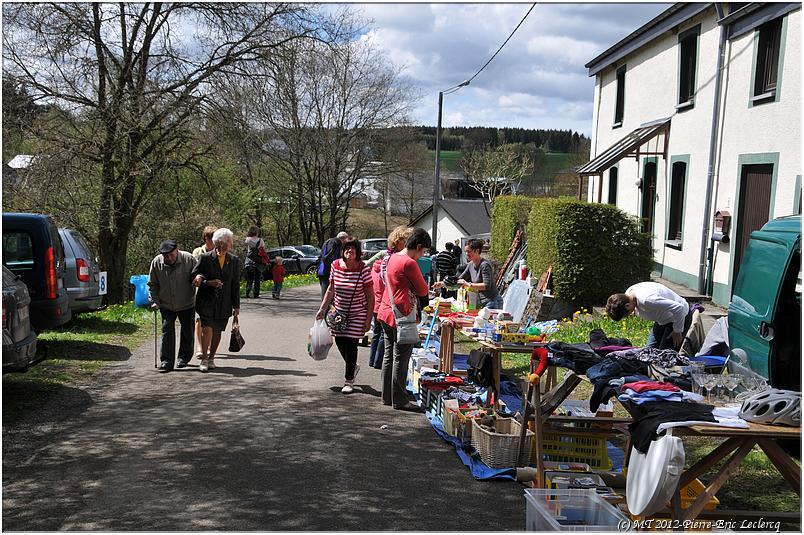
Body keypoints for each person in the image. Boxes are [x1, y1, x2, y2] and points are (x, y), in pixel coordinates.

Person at [377, 228, 431, 411]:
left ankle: (387, 396)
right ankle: (399, 400)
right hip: (401, 315)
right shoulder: (409, 263)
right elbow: (423, 290)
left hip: (385, 310)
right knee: (401, 357)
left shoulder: (392, 257)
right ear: (418, 246)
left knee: (388, 355)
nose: (422, 255)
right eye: (423, 251)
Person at [315, 239, 373, 394]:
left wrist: (368, 319)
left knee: (351, 344)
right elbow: (330, 289)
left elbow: (370, 296)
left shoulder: (363, 269)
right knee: (340, 341)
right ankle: (352, 366)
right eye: (347, 248)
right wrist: (322, 309)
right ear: (343, 251)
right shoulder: (335, 265)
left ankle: (349, 380)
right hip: (338, 313)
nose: (350, 251)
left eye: (353, 249)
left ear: (358, 252)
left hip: (357, 313)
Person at [191, 228, 241, 372]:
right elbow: (194, 275)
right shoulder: (205, 258)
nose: (231, 244)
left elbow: (235, 285)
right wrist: (207, 282)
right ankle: (205, 360)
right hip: (206, 300)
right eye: (229, 241)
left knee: (218, 330)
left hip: (224, 302)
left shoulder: (233, 260)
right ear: (221, 243)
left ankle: (212, 358)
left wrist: (236, 306)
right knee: (207, 329)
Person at [148, 240, 196, 372]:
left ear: (177, 250)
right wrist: (155, 300)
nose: (168, 258)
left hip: (187, 302)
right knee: (167, 330)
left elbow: (199, 275)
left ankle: (183, 358)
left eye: (170, 255)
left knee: (187, 331)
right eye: (165, 256)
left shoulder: (189, 259)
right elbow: (152, 284)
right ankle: (167, 361)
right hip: (166, 303)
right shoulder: (157, 262)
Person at [369, 226, 413, 370]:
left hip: (383, 304)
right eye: (404, 241)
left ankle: (374, 362)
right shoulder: (394, 259)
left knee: (381, 338)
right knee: (391, 348)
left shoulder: (389, 258)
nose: (407, 244)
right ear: (397, 241)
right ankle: (377, 364)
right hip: (390, 306)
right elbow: (388, 284)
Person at [606, 282, 693, 350]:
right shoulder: (628, 294)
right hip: (662, 320)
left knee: (665, 356)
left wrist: (677, 330)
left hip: (679, 318)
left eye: (626, 315)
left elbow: (679, 308)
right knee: (648, 352)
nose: (629, 316)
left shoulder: (647, 300)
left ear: (627, 305)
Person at [436, 238, 502, 309]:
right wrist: (443, 284)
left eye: (469, 251)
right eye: (465, 252)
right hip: (481, 301)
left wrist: (468, 284)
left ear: (477, 251)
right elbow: (459, 279)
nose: (467, 254)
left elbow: (486, 286)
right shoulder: (470, 264)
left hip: (492, 302)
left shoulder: (484, 265)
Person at [192, 226, 217, 360]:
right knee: (199, 319)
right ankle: (200, 346)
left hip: (213, 291)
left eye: (215, 238)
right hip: (199, 290)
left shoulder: (219, 252)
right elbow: (194, 271)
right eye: (210, 238)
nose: (212, 241)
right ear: (205, 238)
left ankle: (208, 346)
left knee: (210, 320)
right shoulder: (197, 252)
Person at [318, 231, 349, 298]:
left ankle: (328, 307)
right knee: (327, 293)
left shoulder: (328, 241)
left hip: (322, 270)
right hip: (326, 271)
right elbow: (328, 257)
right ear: (343, 238)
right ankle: (325, 308)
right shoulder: (336, 243)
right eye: (346, 240)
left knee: (328, 292)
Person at [244, 226, 268, 298]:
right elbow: (264, 249)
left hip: (249, 261)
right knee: (257, 278)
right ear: (257, 232)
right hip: (258, 261)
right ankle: (256, 294)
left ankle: (248, 293)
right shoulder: (260, 240)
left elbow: (246, 245)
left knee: (249, 278)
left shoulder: (248, 239)